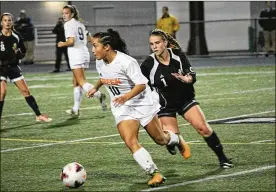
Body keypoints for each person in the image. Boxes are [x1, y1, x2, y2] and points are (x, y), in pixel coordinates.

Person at [86, 28, 191, 187]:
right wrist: (95, 87)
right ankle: (154, 173)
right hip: (122, 108)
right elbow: (104, 77)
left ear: (107, 47)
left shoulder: (127, 62)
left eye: (95, 46)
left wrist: (126, 96)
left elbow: (141, 84)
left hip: (142, 103)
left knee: (160, 139)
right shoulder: (100, 61)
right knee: (130, 140)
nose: (93, 50)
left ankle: (176, 139)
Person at [140, 29, 234, 169]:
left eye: (157, 43)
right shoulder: (148, 64)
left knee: (204, 128)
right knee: (170, 137)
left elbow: (192, 75)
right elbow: (139, 83)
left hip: (185, 99)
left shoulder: (178, 55)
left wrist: (186, 78)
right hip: (165, 105)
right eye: (151, 44)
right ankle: (173, 142)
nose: (154, 46)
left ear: (165, 42)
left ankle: (223, 158)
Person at [0, 12, 52, 122]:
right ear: (1, 22)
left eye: (9, 20)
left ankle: (39, 115)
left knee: (25, 91)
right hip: (1, 68)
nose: (7, 22)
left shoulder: (16, 36)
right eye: (5, 20)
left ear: (12, 22)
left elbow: (23, 52)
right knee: (2, 92)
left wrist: (18, 53)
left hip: (13, 66)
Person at [57, 5, 107, 114]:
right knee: (76, 82)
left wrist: (62, 44)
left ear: (72, 14)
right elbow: (90, 39)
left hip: (76, 54)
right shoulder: (80, 24)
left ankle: (100, 95)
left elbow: (71, 42)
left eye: (66, 13)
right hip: (84, 53)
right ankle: (75, 109)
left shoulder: (68, 25)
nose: (64, 15)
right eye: (63, 13)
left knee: (81, 81)